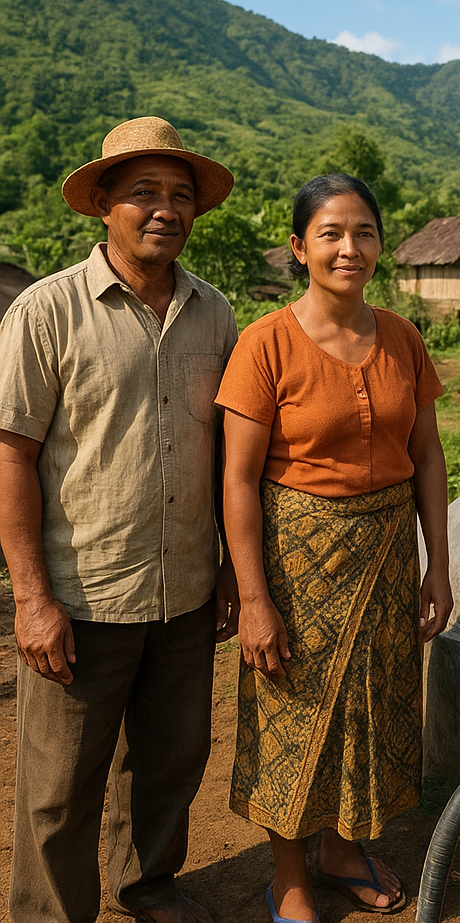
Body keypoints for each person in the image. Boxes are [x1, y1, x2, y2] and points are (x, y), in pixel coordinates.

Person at [0, 117, 239, 923]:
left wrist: (230, 569)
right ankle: (50, 915)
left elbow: (227, 454)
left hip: (185, 591)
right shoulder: (46, 311)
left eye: (180, 194)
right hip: (82, 598)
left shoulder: (215, 313)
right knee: (59, 787)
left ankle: (148, 885)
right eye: (143, 192)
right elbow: (10, 459)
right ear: (103, 202)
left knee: (169, 761)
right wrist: (32, 599)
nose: (165, 209)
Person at [215, 174, 453, 923]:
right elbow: (237, 480)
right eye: (331, 234)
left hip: (387, 557)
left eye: (364, 233)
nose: (350, 248)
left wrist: (438, 565)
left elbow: (428, 456)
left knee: (371, 710)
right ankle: (289, 880)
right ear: (299, 247)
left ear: (380, 245)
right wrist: (254, 598)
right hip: (297, 564)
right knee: (292, 719)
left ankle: (343, 851)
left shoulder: (404, 338)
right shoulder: (265, 343)